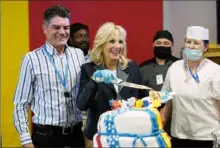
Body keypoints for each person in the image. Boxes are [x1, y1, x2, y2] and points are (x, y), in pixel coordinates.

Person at [13, 5, 85, 147]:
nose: (62, 32)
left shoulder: (79, 55)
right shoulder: (31, 59)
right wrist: (26, 141)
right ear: (44, 29)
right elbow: (20, 105)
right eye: (56, 27)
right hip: (46, 138)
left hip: (76, 135)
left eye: (66, 27)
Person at [76, 22, 149, 146]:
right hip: (98, 136)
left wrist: (156, 98)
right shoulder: (88, 69)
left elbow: (144, 97)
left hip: (129, 136)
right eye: (112, 41)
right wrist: (95, 79)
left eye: (120, 42)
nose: (117, 46)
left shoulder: (132, 67)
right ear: (102, 44)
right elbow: (81, 105)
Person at [160, 26, 220, 147]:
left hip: (207, 136)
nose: (191, 46)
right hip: (179, 135)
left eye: (196, 43)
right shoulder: (174, 68)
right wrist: (159, 128)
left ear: (206, 47)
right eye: (188, 41)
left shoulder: (215, 71)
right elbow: (167, 102)